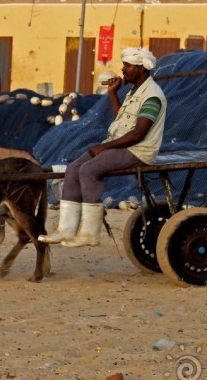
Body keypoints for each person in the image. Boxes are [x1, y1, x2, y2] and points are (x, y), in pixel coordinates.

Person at [40, 47, 167, 247]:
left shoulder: (152, 96)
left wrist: (103, 149)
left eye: (127, 66)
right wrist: (112, 93)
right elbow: (123, 121)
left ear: (142, 68)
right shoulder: (135, 91)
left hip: (138, 150)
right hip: (121, 145)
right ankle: (65, 229)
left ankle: (90, 232)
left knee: (89, 170)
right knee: (73, 169)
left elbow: (138, 134)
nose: (123, 70)